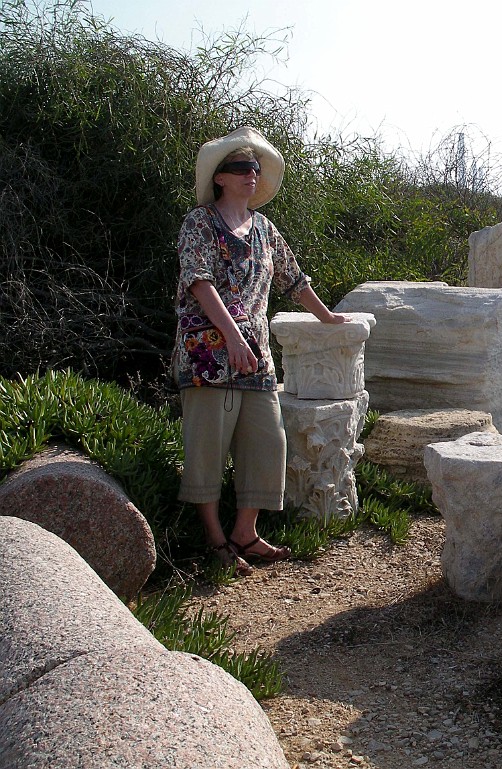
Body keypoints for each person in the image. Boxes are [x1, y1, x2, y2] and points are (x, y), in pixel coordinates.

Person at [174, 126, 349, 575]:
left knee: (268, 442)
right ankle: (216, 542)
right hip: (208, 357)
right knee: (207, 450)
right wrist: (231, 336)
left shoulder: (266, 230)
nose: (251, 174)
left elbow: (294, 280)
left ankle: (245, 533)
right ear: (219, 178)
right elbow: (198, 281)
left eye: (254, 168)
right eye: (240, 168)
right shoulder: (200, 223)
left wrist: (327, 317)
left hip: (254, 357)